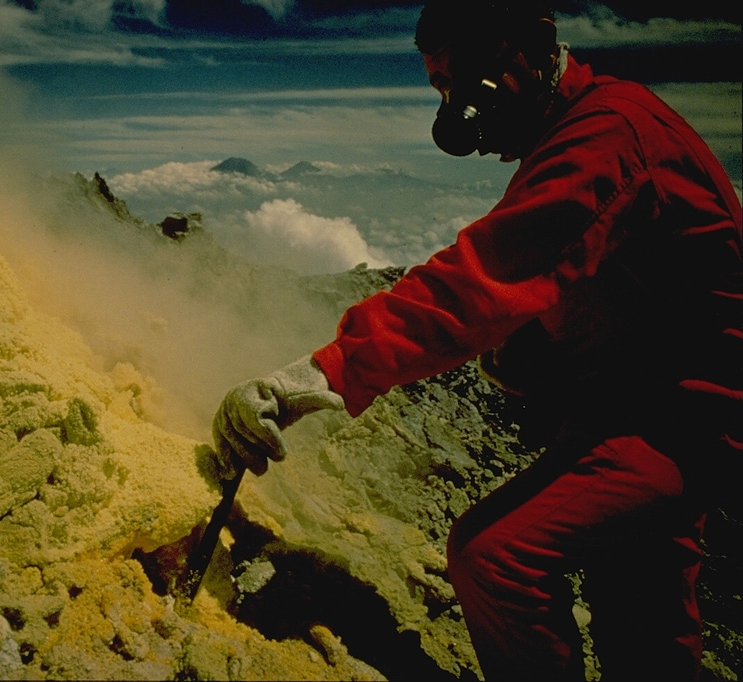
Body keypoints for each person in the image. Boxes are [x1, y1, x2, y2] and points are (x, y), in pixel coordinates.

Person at [211, 1, 742, 680]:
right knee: (642, 614)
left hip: (678, 418)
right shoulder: (579, 128)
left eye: (463, 82)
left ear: (525, 48)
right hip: (644, 403)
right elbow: (602, 281)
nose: (455, 112)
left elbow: (485, 278)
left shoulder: (608, 136)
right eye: (440, 90)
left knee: (495, 556)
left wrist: (323, 373)